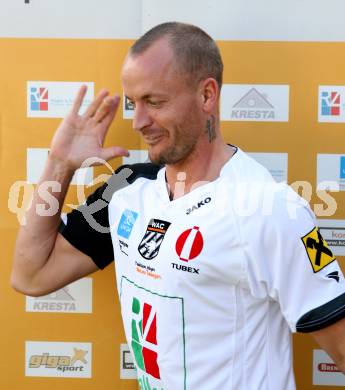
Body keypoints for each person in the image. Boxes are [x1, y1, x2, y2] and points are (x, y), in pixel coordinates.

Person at [12, 22, 345, 389]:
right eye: (133, 103)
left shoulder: (270, 208)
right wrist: (61, 163)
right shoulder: (126, 190)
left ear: (207, 95)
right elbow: (31, 275)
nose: (139, 122)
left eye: (155, 102)